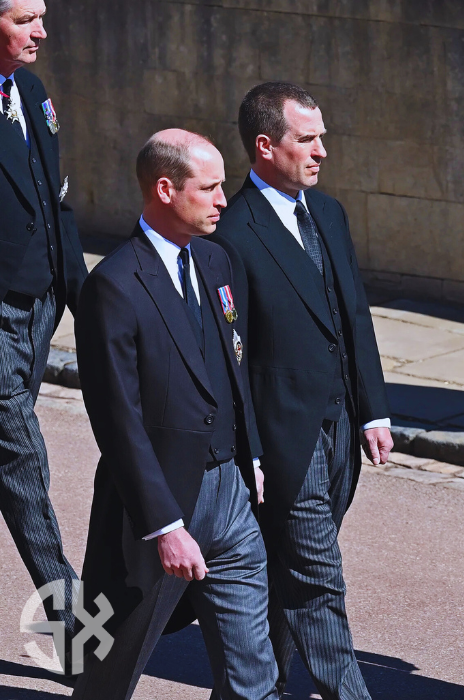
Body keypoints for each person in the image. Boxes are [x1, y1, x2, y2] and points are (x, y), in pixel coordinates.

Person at [72, 130, 278, 699]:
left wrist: (252, 453)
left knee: (252, 671)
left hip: (231, 494)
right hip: (158, 504)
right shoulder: (114, 285)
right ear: (165, 189)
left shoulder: (217, 260)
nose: (222, 200)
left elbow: (236, 369)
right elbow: (118, 421)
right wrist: (164, 526)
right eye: (209, 188)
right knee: (110, 665)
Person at [211, 82, 392, 700]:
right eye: (307, 140)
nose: (322, 152)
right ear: (265, 146)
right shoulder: (231, 235)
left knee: (286, 573)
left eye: (323, 138)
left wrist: (374, 411)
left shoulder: (330, 213)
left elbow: (354, 317)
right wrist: (252, 450)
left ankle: (251, 687)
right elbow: (232, 361)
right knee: (318, 579)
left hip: (342, 428)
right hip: (286, 438)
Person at [0, 0, 87, 671]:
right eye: (26, 19)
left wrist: (87, 301)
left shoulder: (28, 89)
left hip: (38, 308)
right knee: (24, 468)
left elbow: (55, 200)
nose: (42, 32)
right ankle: (83, 640)